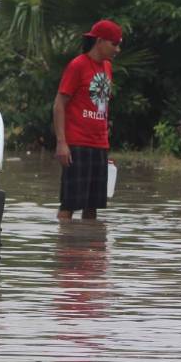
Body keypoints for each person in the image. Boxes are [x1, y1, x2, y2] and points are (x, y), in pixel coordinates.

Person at [53, 19, 122, 221]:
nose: (117, 49)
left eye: (119, 44)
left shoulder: (107, 68)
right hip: (77, 144)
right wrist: (61, 143)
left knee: (93, 207)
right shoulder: (77, 65)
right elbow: (59, 104)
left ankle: (89, 249)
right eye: (114, 44)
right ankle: (65, 247)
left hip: (99, 144)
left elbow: (101, 106)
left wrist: (104, 142)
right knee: (70, 203)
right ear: (99, 41)